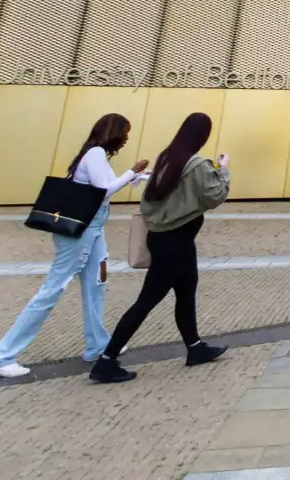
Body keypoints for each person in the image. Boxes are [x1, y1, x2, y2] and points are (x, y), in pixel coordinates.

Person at [0, 114, 147, 378]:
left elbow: (103, 186)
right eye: (125, 133)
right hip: (80, 232)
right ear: (114, 132)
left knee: (97, 284)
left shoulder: (97, 155)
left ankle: (97, 344)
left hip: (93, 230)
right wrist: (132, 172)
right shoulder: (95, 153)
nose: (127, 139)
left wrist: (134, 176)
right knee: (52, 289)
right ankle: (2, 356)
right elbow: (104, 190)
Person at [90, 113, 229, 383]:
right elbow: (215, 196)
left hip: (169, 238)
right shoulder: (197, 163)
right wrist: (223, 168)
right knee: (147, 300)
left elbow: (150, 201)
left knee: (186, 292)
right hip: (175, 241)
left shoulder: (168, 157)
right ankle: (106, 360)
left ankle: (195, 348)